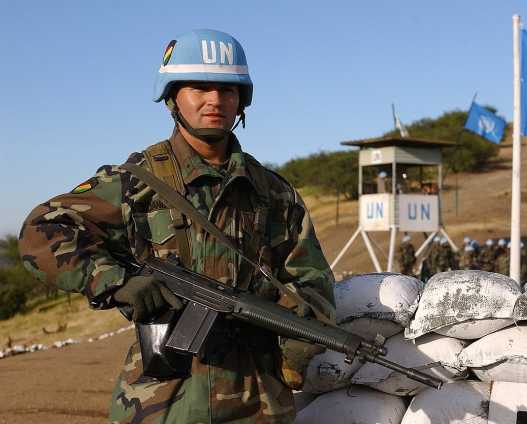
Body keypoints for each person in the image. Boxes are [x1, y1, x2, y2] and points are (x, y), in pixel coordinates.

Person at [18, 29, 335, 423]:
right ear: (172, 97)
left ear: (242, 101)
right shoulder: (137, 182)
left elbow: (313, 283)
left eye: (228, 90)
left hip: (259, 402)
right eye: (199, 87)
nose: (215, 100)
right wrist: (115, 280)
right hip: (162, 402)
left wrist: (291, 343)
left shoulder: (273, 194)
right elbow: (41, 231)